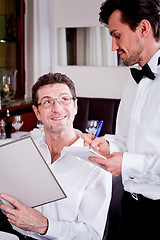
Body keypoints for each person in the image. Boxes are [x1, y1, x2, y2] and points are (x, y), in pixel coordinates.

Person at [0, 73, 112, 240]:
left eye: (64, 99)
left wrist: (45, 226)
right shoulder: (24, 151)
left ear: (75, 106)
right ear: (37, 112)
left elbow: (92, 234)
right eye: (47, 102)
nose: (57, 108)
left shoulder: (96, 163)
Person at [82, 0, 160, 239]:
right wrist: (108, 145)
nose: (113, 47)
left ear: (143, 29)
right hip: (131, 207)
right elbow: (126, 140)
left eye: (117, 35)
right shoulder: (131, 81)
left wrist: (126, 164)